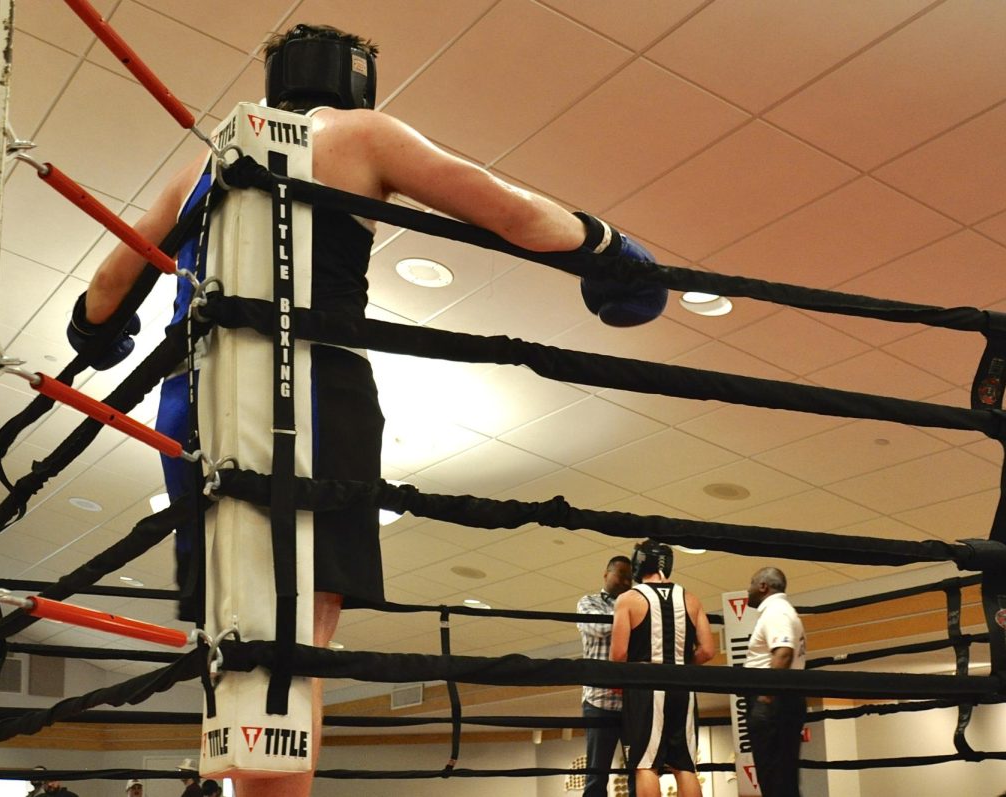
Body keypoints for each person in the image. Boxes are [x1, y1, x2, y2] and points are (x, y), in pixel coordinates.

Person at [71, 23, 667, 797]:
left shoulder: (200, 165)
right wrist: (611, 249)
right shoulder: (361, 134)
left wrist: (98, 338)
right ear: (356, 81)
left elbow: (100, 302)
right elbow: (510, 213)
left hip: (191, 413)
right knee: (300, 640)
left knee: (242, 633)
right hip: (315, 393)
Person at [610, 540, 714, 797]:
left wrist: (622, 684)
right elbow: (708, 650)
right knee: (685, 765)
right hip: (683, 687)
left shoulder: (629, 599)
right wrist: (680, 666)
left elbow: (618, 654)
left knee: (646, 764)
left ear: (639, 562)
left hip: (646, 688)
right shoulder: (691, 599)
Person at [744, 566, 807, 797]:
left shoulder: (776, 612)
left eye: (751, 583)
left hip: (775, 703)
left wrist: (765, 699)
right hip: (782, 700)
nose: (747, 589)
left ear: (763, 586)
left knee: (775, 778)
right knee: (780, 778)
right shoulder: (783, 610)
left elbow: (783, 652)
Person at [576, 555, 633, 797]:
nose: (626, 582)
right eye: (621, 575)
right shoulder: (588, 602)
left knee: (639, 771)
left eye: (630, 578)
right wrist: (631, 617)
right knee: (596, 774)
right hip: (600, 701)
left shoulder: (634, 604)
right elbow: (597, 628)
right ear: (606, 574)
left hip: (633, 701)